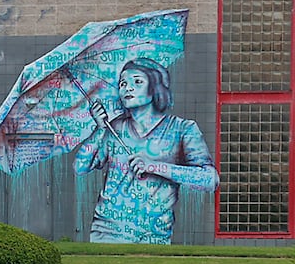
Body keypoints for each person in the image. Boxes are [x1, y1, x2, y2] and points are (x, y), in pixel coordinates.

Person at [73, 58, 218, 244]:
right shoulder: (113, 128)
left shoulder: (182, 129)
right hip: (107, 229)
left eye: (137, 82)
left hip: (154, 233)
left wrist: (154, 167)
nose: (127, 88)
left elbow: (209, 179)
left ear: (155, 87)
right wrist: (99, 129)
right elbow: (80, 167)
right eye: (123, 83)